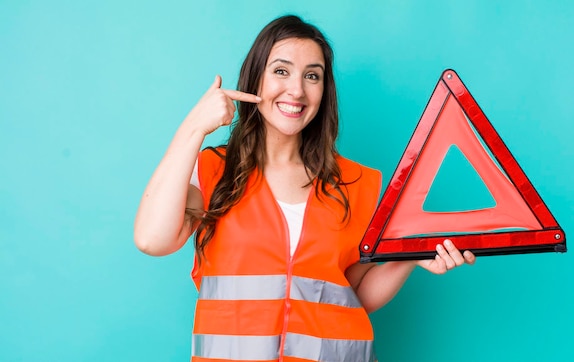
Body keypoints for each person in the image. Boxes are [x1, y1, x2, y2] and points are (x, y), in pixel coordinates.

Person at [134, 14, 475, 362]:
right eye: (281, 71)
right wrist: (192, 129)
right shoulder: (212, 170)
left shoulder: (357, 183)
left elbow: (354, 293)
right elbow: (152, 239)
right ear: (256, 80)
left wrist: (409, 259)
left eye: (312, 76)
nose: (297, 90)